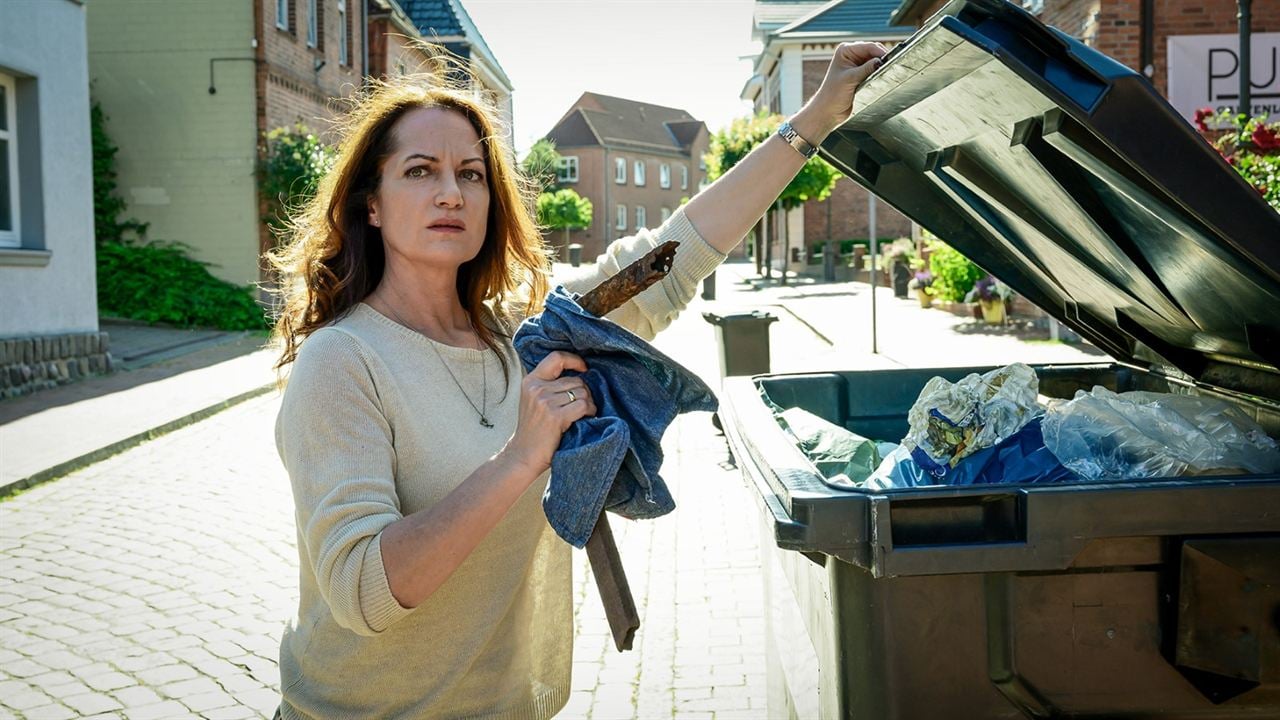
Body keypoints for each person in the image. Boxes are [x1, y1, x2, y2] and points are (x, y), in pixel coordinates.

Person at [268, 41, 886, 720]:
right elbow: (362, 593)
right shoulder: (343, 360)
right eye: (420, 171)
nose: (451, 192)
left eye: (472, 174)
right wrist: (521, 457)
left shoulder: (528, 338)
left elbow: (672, 259)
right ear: (373, 205)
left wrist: (817, 118)